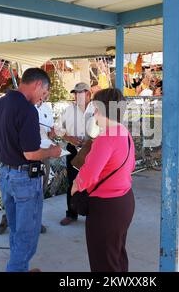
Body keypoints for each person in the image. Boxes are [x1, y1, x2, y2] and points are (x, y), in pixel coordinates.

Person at [0, 68, 61, 272]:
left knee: (17, 229)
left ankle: (21, 267)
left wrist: (9, 143)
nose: (41, 100)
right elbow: (31, 154)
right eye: (43, 94)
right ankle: (16, 269)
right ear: (37, 85)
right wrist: (52, 152)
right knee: (28, 234)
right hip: (25, 178)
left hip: (6, 175)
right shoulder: (27, 110)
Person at [71, 88, 136, 272]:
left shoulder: (106, 137)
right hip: (124, 202)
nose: (93, 113)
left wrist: (76, 186)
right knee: (116, 257)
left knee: (104, 263)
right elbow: (130, 165)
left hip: (106, 207)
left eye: (95, 108)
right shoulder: (124, 132)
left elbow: (89, 175)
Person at [0, 97, 54, 235]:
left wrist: (52, 133)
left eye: (46, 92)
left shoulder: (47, 109)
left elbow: (49, 132)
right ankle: (7, 219)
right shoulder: (22, 108)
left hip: (43, 154)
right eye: (42, 91)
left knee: (40, 190)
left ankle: (35, 221)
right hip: (24, 157)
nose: (43, 95)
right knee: (16, 192)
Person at [56, 82, 94, 226]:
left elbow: (104, 129)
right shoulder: (68, 110)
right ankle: (71, 214)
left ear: (88, 94)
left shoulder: (96, 108)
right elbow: (58, 129)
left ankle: (93, 215)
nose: (77, 96)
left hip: (92, 150)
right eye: (75, 93)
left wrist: (91, 141)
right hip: (73, 150)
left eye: (80, 93)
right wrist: (69, 138)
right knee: (72, 182)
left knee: (93, 182)